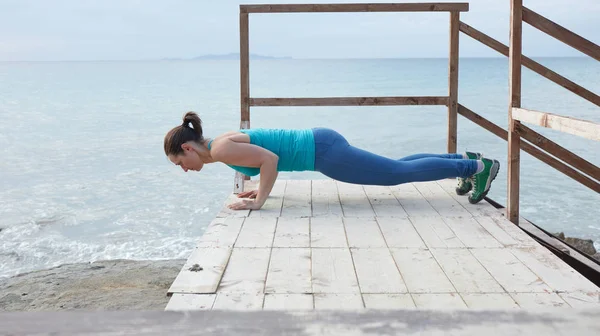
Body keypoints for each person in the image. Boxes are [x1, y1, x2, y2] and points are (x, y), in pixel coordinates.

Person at [164, 111, 500, 211]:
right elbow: (266, 157)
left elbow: (270, 160)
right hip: (321, 143)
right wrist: (258, 192)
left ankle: (478, 168)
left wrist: (260, 201)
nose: (183, 170)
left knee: (397, 174)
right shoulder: (219, 146)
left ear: (189, 149)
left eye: (178, 162)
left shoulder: (220, 149)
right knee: (396, 166)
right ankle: (465, 160)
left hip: (323, 153)